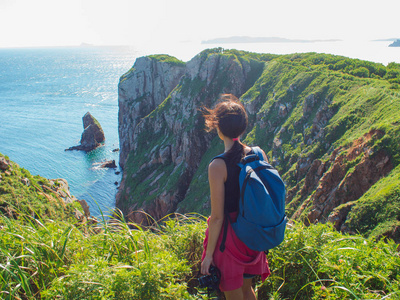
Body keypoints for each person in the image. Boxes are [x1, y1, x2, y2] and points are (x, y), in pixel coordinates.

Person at [200, 94, 270, 300]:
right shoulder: (259, 154)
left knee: (232, 294)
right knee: (247, 289)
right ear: (243, 127)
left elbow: (218, 217)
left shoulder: (217, 166)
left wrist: (209, 256)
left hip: (230, 241)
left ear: (218, 129)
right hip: (253, 236)